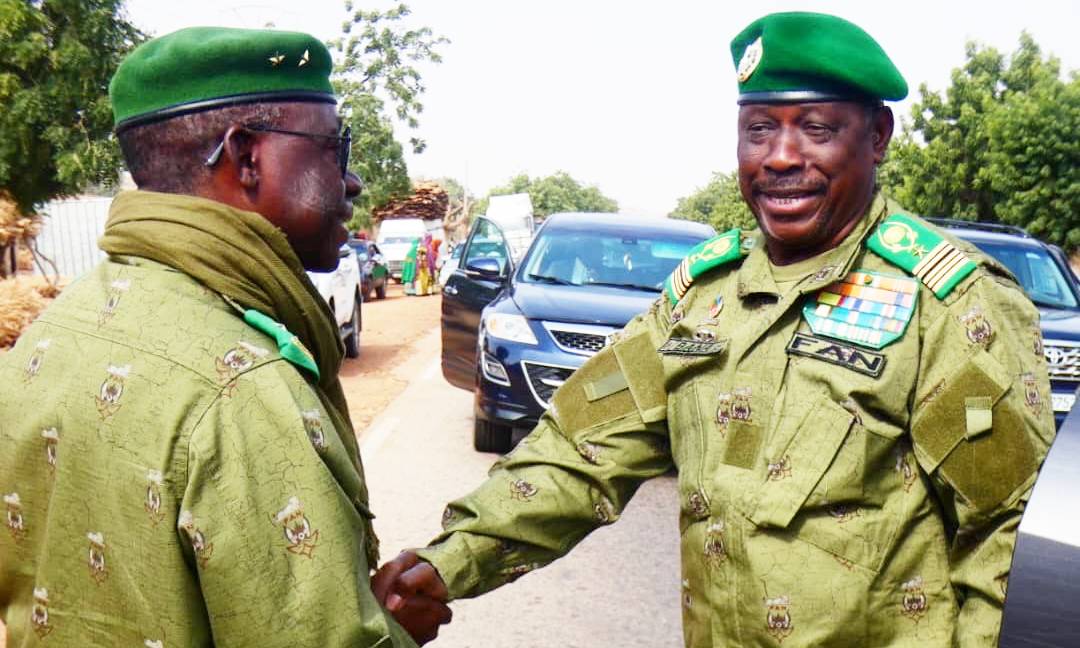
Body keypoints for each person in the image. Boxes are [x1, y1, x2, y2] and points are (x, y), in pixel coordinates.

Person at [375, 12, 1057, 647]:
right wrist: (447, 565)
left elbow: (1006, 541)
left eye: (815, 128)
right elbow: (580, 448)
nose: (781, 157)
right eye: (759, 129)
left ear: (877, 136)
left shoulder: (949, 303)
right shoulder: (702, 296)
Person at [0, 26, 447, 646]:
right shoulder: (243, 392)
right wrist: (392, 630)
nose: (353, 183)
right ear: (245, 159)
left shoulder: (51, 335)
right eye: (335, 149)